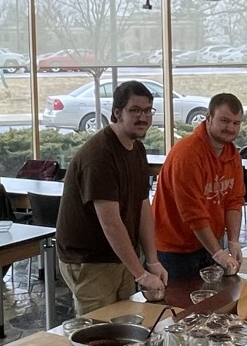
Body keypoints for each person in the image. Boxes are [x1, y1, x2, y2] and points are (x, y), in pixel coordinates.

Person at [55, 80, 166, 313]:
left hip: (120, 256)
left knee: (125, 322)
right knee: (98, 333)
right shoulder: (100, 157)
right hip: (90, 260)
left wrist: (152, 261)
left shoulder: (137, 149)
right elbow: (111, 223)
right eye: (134, 110)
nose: (143, 117)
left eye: (147, 111)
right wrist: (140, 273)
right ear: (117, 112)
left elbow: (142, 204)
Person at [153, 93, 247, 279]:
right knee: (178, 306)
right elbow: (193, 213)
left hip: (207, 244)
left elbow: (234, 201)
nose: (230, 128)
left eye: (236, 123)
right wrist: (218, 253)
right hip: (173, 249)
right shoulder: (187, 154)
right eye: (224, 121)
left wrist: (233, 241)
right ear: (208, 118)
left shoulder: (232, 154)